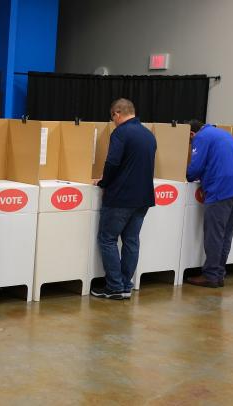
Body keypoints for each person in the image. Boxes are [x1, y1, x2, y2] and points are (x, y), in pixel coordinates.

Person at [91, 98, 156, 300]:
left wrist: (103, 182)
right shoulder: (148, 135)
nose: (113, 122)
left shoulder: (121, 133)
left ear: (117, 113)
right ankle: (126, 285)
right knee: (131, 241)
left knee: (108, 239)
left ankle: (114, 286)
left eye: (113, 118)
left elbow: (112, 161)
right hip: (143, 197)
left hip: (121, 197)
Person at [183, 120, 233, 288]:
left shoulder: (201, 137)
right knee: (225, 233)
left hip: (221, 189)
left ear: (191, 134)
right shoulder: (222, 133)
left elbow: (195, 168)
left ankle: (211, 275)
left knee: (214, 234)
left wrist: (185, 174)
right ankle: (219, 274)